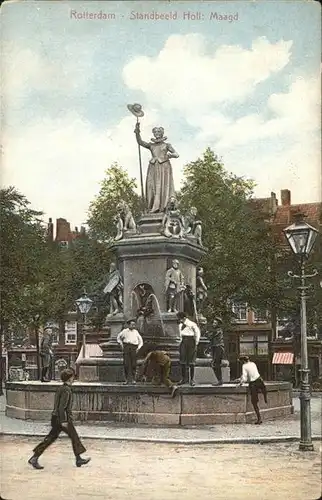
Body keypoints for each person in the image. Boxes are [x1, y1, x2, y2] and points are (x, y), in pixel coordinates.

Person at [28, 368, 90, 469]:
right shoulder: (67, 390)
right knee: (73, 437)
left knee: (51, 438)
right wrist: (64, 421)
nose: (73, 379)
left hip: (56, 417)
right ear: (69, 378)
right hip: (62, 419)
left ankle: (35, 457)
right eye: (72, 377)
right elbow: (62, 407)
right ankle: (78, 459)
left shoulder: (61, 388)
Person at [134, 122, 179, 213]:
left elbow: (176, 154)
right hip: (153, 167)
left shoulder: (166, 145)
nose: (157, 133)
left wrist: (170, 155)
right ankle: (153, 206)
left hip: (164, 167)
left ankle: (163, 206)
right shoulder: (151, 145)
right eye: (155, 132)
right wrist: (137, 132)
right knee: (152, 186)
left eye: (159, 132)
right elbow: (140, 142)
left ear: (162, 133)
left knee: (163, 185)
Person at [237, 356, 268, 425]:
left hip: (253, 384)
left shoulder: (244, 366)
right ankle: (265, 398)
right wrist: (241, 378)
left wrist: (240, 383)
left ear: (243, 361)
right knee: (264, 390)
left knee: (254, 402)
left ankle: (259, 419)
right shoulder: (253, 363)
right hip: (260, 380)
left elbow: (245, 377)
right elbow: (252, 373)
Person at [177, 312, 201, 386]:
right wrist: (180, 343)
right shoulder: (180, 325)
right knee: (182, 361)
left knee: (191, 362)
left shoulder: (192, 324)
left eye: (180, 318)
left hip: (191, 342)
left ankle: (192, 380)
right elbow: (180, 335)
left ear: (184, 318)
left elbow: (197, 333)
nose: (179, 320)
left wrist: (196, 343)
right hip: (183, 342)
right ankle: (183, 379)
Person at [117, 319, 143, 384]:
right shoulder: (124, 331)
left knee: (134, 364)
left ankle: (134, 379)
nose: (133, 326)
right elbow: (118, 337)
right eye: (132, 324)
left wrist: (138, 348)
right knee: (126, 364)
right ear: (128, 325)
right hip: (126, 347)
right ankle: (126, 380)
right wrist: (121, 343)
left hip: (134, 348)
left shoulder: (136, 332)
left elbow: (141, 341)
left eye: (134, 325)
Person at [207, 317, 226, 385]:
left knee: (216, 364)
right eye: (213, 323)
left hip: (219, 348)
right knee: (214, 364)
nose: (213, 324)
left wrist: (208, 333)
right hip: (215, 348)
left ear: (218, 324)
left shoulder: (218, 330)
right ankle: (219, 380)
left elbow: (210, 336)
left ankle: (220, 380)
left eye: (215, 323)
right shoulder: (215, 330)